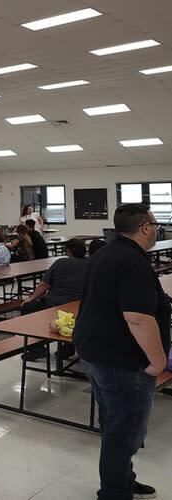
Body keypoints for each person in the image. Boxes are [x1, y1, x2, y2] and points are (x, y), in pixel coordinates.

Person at [73, 204, 170, 500]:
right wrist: (158, 361)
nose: (157, 229)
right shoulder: (132, 261)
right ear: (145, 228)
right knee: (124, 433)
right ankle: (115, 493)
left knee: (115, 425)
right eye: (155, 224)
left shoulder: (106, 252)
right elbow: (137, 318)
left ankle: (123, 480)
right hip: (121, 360)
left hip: (96, 353)